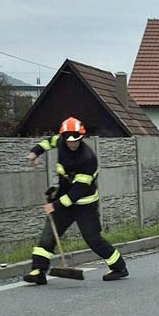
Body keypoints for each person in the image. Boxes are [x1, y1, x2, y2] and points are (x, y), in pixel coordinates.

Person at [23, 117, 128, 284]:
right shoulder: (60, 141)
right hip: (63, 200)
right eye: (69, 140)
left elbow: (78, 192)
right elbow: (48, 142)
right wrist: (34, 153)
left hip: (84, 204)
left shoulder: (88, 159)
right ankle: (38, 271)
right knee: (48, 235)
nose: (72, 144)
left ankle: (118, 267)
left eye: (76, 140)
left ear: (81, 137)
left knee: (93, 239)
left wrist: (54, 205)